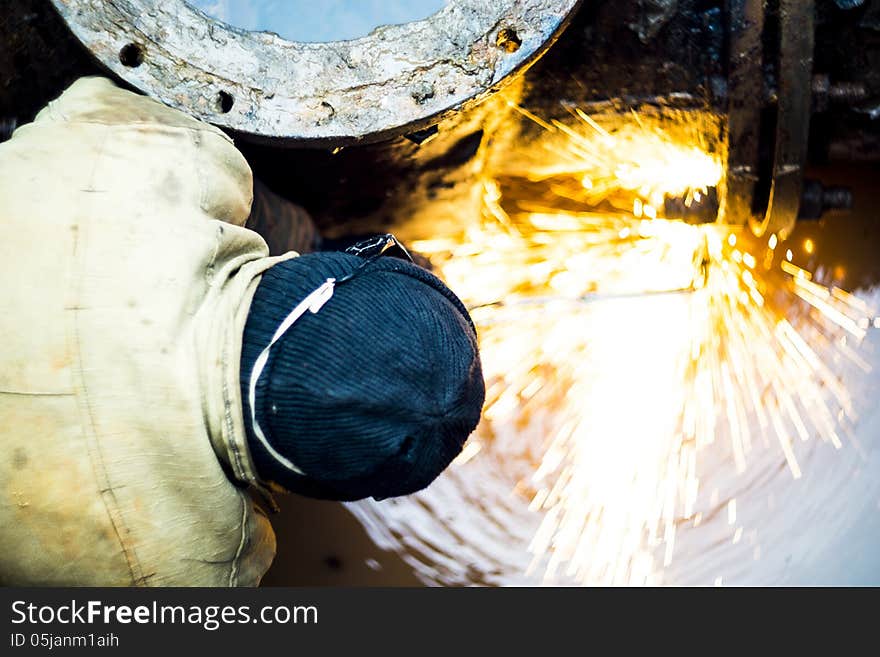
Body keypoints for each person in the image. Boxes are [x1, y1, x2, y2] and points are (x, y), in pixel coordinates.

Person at [0, 77, 485, 586]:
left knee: (288, 224)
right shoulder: (196, 572)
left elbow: (87, 104)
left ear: (322, 274)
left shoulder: (166, 156)